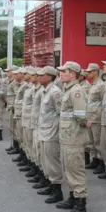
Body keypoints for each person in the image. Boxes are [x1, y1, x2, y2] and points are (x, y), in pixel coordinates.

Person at [57, 61, 89, 212]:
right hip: (67, 136)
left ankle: (80, 205)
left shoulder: (76, 91)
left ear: (73, 74)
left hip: (74, 137)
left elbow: (81, 115)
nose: (61, 73)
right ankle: (72, 198)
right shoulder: (68, 89)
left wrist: (85, 124)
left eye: (65, 71)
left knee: (75, 170)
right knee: (68, 169)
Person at [36, 66, 64, 204]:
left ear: (49, 77)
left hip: (52, 133)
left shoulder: (55, 92)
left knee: (53, 162)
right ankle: (50, 185)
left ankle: (57, 190)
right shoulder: (45, 91)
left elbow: (61, 114)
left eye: (42, 75)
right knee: (46, 161)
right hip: (44, 131)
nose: (39, 77)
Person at [84, 63, 105, 173]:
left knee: (98, 142)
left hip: (97, 118)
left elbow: (103, 103)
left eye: (89, 71)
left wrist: (96, 117)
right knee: (91, 141)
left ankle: (101, 163)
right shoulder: (93, 85)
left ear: (95, 72)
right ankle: (95, 160)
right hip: (90, 116)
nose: (87, 73)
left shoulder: (101, 85)